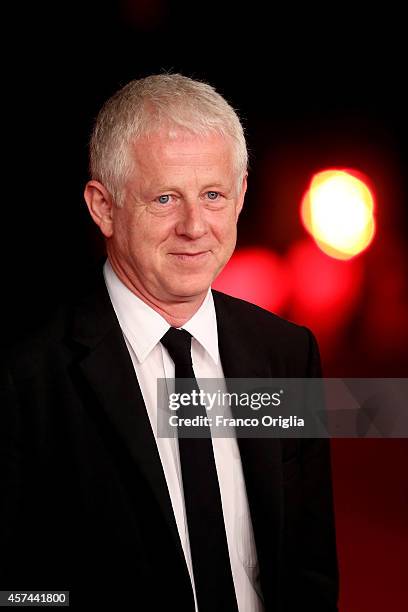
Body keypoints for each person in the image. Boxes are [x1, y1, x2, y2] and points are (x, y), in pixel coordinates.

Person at [1, 74, 338, 611]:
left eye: (213, 195)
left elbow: (309, 569)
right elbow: (15, 592)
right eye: (164, 198)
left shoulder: (287, 354)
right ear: (103, 207)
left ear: (242, 194)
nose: (194, 225)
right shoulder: (24, 378)